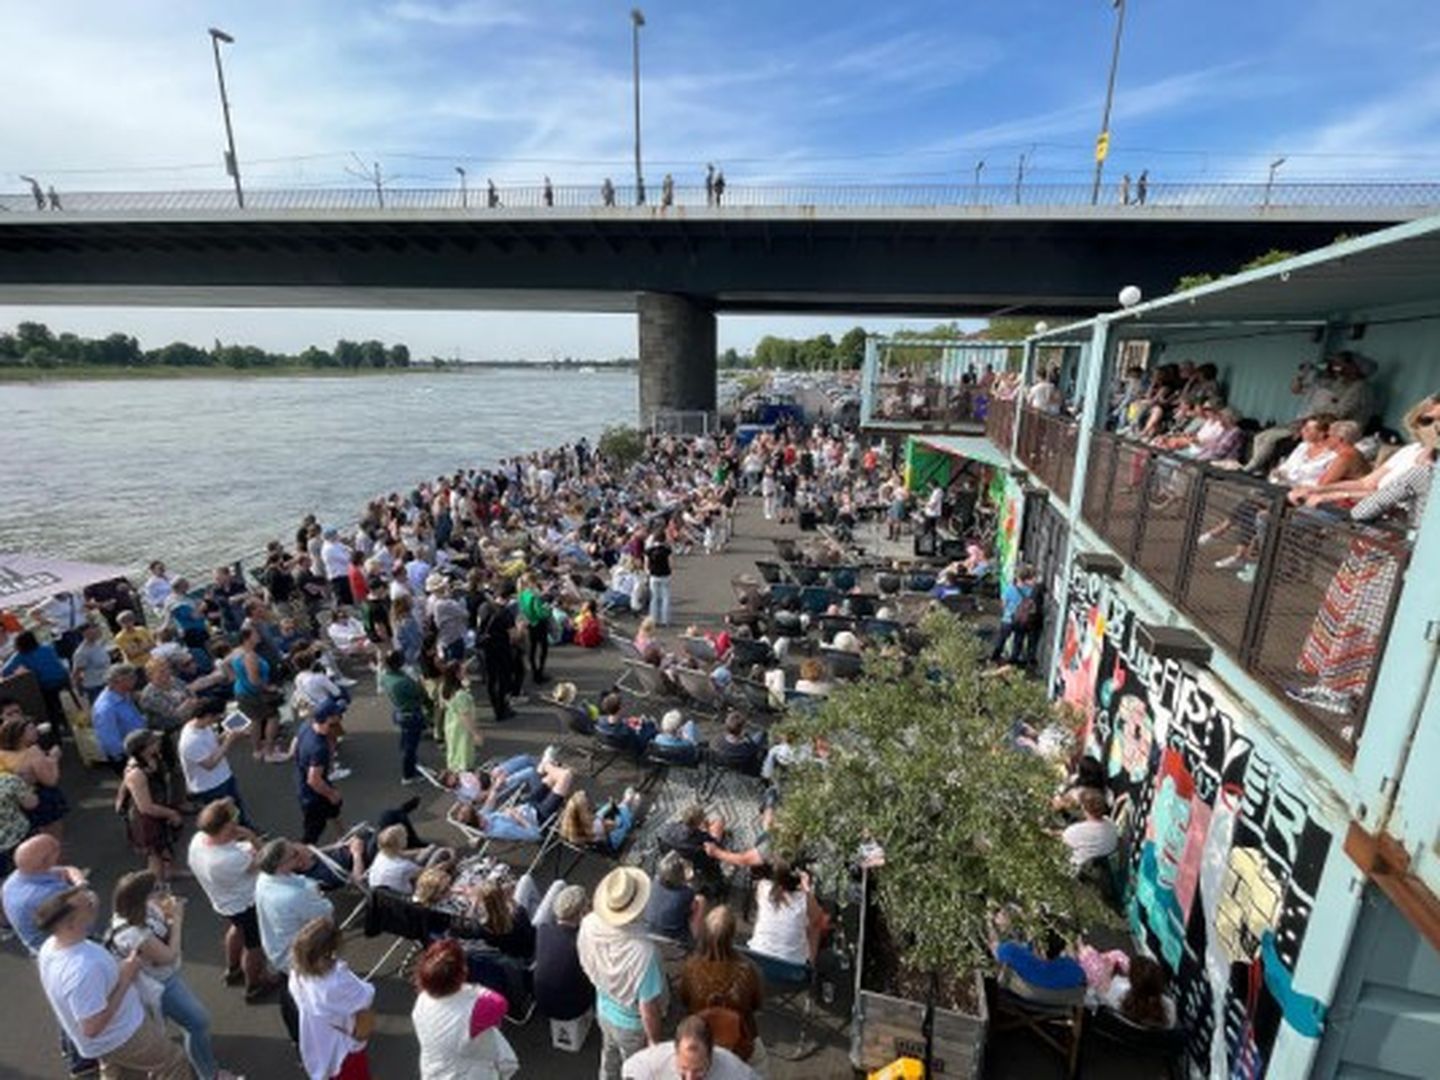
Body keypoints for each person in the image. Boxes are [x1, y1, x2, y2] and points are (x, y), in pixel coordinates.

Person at [35, 885, 192, 1079]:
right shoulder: (82, 968)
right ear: (71, 924)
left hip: (103, 1044)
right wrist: (126, 977)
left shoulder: (51, 947)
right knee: (174, 1061)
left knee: (117, 1071)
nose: (93, 904)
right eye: (88, 906)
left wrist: (121, 970)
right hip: (122, 1036)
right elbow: (92, 1027)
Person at [108, 870, 241, 1080]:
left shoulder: (136, 911)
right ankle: (209, 1074)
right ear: (141, 897)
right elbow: (169, 956)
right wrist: (177, 919)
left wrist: (166, 915)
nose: (162, 893)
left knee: (178, 1022)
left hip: (161, 978)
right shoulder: (132, 934)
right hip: (160, 983)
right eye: (157, 889)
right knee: (198, 1022)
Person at [577, 866, 667, 1080]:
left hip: (603, 1007)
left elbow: (587, 961)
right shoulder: (644, 952)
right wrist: (655, 1042)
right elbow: (649, 1009)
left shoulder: (589, 924)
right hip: (631, 1024)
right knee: (633, 1068)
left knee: (608, 1056)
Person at [188, 797, 281, 1002]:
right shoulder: (230, 859)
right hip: (246, 903)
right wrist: (250, 836)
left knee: (236, 929)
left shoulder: (197, 842)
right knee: (254, 945)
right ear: (225, 826)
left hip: (224, 902)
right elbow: (265, 860)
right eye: (232, 820)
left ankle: (233, 969)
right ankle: (254, 984)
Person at [255, 839, 335, 1044]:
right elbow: (326, 913)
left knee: (289, 995)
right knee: (310, 999)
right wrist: (315, 891)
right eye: (294, 855)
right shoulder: (296, 895)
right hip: (301, 955)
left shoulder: (264, 879)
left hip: (277, 949)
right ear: (280, 866)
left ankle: (298, 1039)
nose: (300, 855)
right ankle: (315, 1040)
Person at [412, 938, 519, 1080]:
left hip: (433, 1070)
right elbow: (500, 1004)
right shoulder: (474, 1009)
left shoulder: (422, 1000)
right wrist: (471, 987)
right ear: (463, 972)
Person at [289, 916, 375, 1080]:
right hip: (343, 1046)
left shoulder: (296, 974)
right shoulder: (336, 981)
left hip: (316, 1038)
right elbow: (366, 995)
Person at [678, 906, 764, 1070]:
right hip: (739, 1042)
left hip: (698, 1038)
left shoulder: (690, 967)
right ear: (732, 935)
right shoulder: (748, 969)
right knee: (761, 1065)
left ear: (705, 932)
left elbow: (684, 1000)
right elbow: (756, 1005)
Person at [117, 729, 185, 882]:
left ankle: (171, 871)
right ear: (144, 749)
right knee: (155, 855)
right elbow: (145, 807)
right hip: (147, 820)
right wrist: (171, 814)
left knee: (166, 845)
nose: (158, 742)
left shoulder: (154, 758)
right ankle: (157, 888)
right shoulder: (136, 773)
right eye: (154, 741)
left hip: (160, 807)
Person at [179, 696, 254, 827]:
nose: (219, 719)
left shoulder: (203, 727)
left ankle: (246, 830)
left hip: (223, 777)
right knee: (224, 819)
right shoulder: (190, 741)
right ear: (208, 716)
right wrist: (229, 740)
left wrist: (226, 735)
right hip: (210, 786)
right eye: (216, 716)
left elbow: (213, 743)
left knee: (236, 809)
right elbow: (209, 764)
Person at [620, 1014, 757, 1080]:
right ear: (676, 1052)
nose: (690, 1078)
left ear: (711, 1054)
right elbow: (631, 1067)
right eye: (683, 1068)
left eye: (699, 1070)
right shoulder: (658, 1057)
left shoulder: (733, 1069)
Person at [534, 884, 595, 1023]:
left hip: (542, 1003)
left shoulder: (543, 930)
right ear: (582, 913)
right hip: (572, 1009)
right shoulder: (582, 943)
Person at [747, 858, 824, 967]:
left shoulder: (763, 888)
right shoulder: (805, 899)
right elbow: (818, 920)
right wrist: (807, 888)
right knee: (814, 926)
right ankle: (811, 963)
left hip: (757, 961)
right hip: (792, 969)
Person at [296, 705, 345, 844]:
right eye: (336, 717)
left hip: (313, 783)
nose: (340, 718)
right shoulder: (319, 748)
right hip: (312, 794)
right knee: (314, 829)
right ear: (327, 720)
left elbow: (295, 741)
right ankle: (304, 852)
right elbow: (313, 780)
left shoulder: (307, 725)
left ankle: (343, 837)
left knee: (334, 808)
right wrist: (331, 794)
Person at [381, 649, 429, 784]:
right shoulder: (403, 682)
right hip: (411, 714)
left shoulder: (386, 677)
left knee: (406, 742)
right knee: (411, 747)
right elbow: (421, 694)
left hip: (399, 712)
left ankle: (411, 762)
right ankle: (408, 775)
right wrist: (419, 682)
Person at [92, 663, 148, 768]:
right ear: (118, 681)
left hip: (141, 747)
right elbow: (110, 743)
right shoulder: (105, 708)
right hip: (129, 757)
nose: (135, 679)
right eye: (131, 677)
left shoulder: (124, 694)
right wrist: (132, 758)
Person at [643, 850, 704, 947]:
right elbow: (692, 907)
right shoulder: (686, 893)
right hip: (674, 938)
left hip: (649, 931)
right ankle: (694, 940)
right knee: (700, 900)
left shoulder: (654, 882)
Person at [990, 565, 1040, 666]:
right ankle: (1013, 660)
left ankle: (995, 657)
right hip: (1023, 620)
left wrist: (1009, 611)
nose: (1035, 580)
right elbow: (1033, 606)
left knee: (1002, 639)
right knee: (1019, 640)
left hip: (1008, 619)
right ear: (1026, 579)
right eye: (1033, 578)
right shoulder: (1032, 590)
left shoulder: (1010, 588)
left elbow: (1004, 603)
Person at [1060, 789, 1118, 871]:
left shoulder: (1073, 832)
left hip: (1083, 872)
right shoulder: (1109, 823)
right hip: (1107, 868)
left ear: (1083, 807)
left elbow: (1063, 839)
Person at [440, 663, 482, 772]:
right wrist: (476, 733)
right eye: (462, 670)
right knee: (463, 751)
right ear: (457, 674)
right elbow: (465, 716)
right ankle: (462, 775)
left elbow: (442, 705)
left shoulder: (444, 688)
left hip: (450, 723)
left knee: (454, 750)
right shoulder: (461, 695)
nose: (465, 672)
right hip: (461, 728)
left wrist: (466, 686)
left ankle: (454, 771)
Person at [517, 574, 552, 685]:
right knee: (543, 648)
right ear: (532, 582)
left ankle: (534, 671)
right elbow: (540, 613)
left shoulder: (521, 594)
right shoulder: (534, 596)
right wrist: (548, 609)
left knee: (531, 649)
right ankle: (540, 672)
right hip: (539, 624)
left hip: (529, 623)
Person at [70, 622, 112, 705]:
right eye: (90, 632)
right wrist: (79, 689)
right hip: (95, 687)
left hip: (107, 682)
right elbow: (77, 673)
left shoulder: (99, 644)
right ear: (84, 634)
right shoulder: (82, 652)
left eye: (94, 630)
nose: (94, 633)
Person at [645, 528, 673, 628]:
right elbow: (671, 563)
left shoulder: (649, 550)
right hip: (665, 575)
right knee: (666, 598)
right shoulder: (667, 550)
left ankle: (653, 620)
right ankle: (665, 620)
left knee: (654, 598)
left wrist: (648, 572)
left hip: (654, 575)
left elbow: (647, 564)